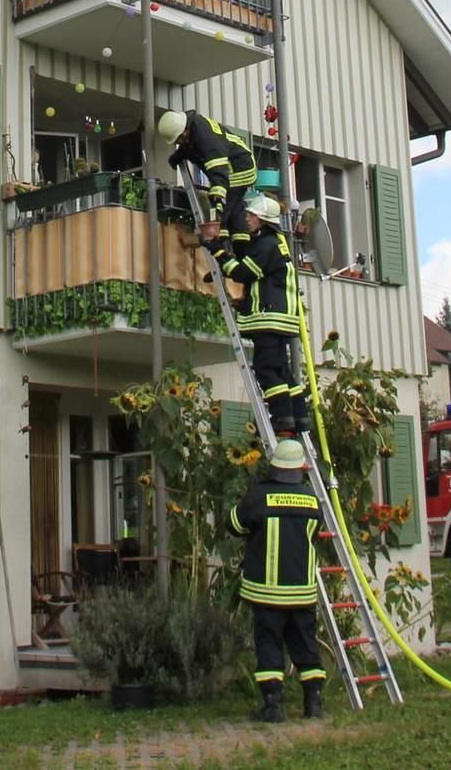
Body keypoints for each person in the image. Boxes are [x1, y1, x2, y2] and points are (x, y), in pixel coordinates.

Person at [229, 438, 326, 722]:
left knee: (269, 644)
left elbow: (234, 525)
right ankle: (314, 704)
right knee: (305, 644)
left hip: (267, 592)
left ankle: (273, 706)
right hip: (301, 592)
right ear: (299, 469)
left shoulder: (259, 496)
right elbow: (316, 532)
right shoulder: (311, 499)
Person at [210, 192, 310, 436]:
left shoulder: (266, 245)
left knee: (266, 369)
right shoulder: (273, 242)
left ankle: (282, 420)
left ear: (263, 219)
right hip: (280, 319)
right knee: (281, 372)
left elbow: (244, 273)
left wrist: (218, 251)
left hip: (269, 318)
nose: (247, 218)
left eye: (252, 214)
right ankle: (299, 418)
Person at [156, 109, 259, 244]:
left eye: (179, 139)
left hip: (239, 169)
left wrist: (217, 194)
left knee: (221, 211)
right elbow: (190, 148)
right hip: (231, 167)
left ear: (184, 131)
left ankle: (220, 245)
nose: (179, 142)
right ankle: (241, 245)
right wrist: (177, 157)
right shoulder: (193, 129)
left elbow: (218, 169)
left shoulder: (207, 139)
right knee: (234, 209)